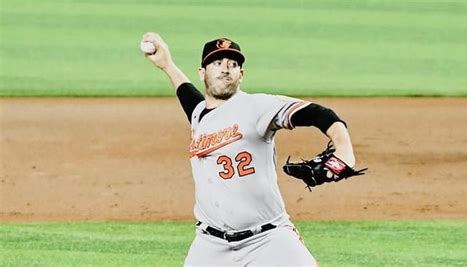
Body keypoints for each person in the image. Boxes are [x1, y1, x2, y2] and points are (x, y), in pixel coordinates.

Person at [142, 32, 357, 266]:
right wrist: (167, 65)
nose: (225, 68)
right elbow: (189, 98)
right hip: (210, 246)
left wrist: (344, 152)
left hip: (268, 240)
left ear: (241, 75)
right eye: (217, 63)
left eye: (233, 64)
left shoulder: (257, 107)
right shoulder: (199, 115)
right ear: (202, 73)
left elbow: (320, 114)